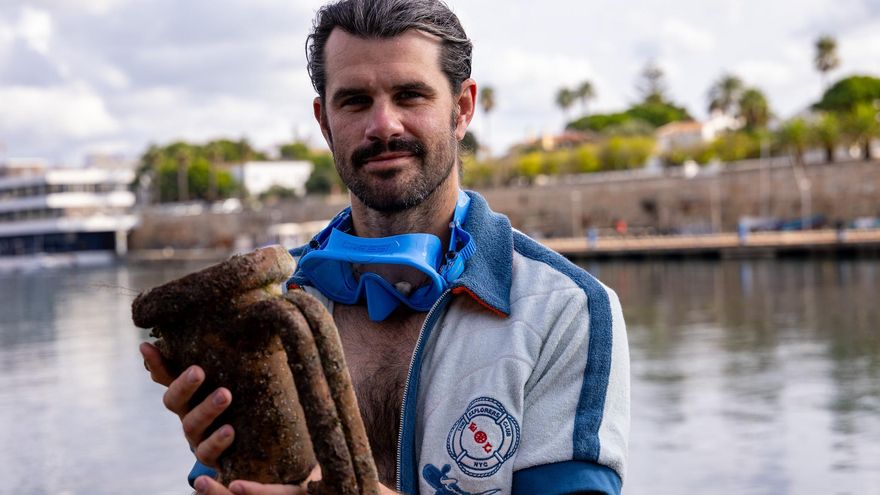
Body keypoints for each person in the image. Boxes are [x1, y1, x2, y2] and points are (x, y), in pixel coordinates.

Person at [140, 1, 630, 494]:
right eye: (354, 101)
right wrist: (231, 452)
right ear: (324, 121)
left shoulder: (565, 310)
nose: (383, 125)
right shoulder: (268, 306)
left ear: (461, 109)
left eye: (410, 95)